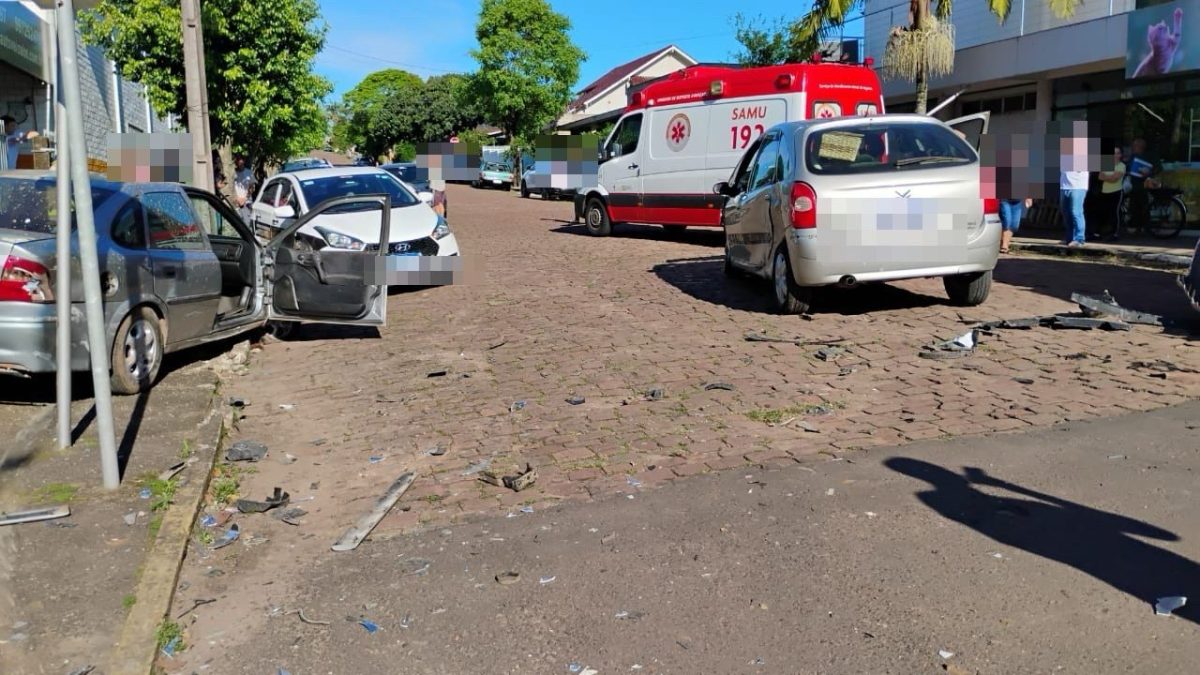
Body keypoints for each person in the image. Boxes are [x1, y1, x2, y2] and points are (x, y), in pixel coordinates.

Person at [1059, 126, 1090, 247]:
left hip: (1078, 186)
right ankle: (1069, 238)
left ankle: (1080, 238)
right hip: (1064, 186)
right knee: (1066, 212)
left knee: (1076, 212)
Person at [1125, 137, 1156, 237]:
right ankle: (1137, 228)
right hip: (1133, 185)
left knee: (1143, 207)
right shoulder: (1132, 156)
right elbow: (1127, 167)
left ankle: (1145, 228)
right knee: (1134, 207)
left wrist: (1148, 173)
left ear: (1141, 147)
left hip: (1143, 186)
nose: (1134, 148)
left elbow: (1157, 168)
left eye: (1135, 146)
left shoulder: (1148, 156)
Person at [1095, 145, 1126, 240]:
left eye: (1117, 153)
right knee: (1103, 212)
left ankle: (1114, 234)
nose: (1115, 155)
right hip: (1104, 192)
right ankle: (1101, 233)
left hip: (1116, 192)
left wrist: (1107, 177)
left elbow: (1114, 179)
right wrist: (1110, 177)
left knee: (1114, 213)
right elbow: (1100, 177)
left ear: (1120, 155)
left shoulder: (1122, 166)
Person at [233, 154, 255, 221]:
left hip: (246, 202)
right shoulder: (233, 173)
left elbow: (252, 187)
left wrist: (245, 199)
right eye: (237, 160)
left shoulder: (249, 172)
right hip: (236, 202)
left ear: (243, 161)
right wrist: (237, 198)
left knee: (246, 223)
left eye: (240, 160)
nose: (239, 162)